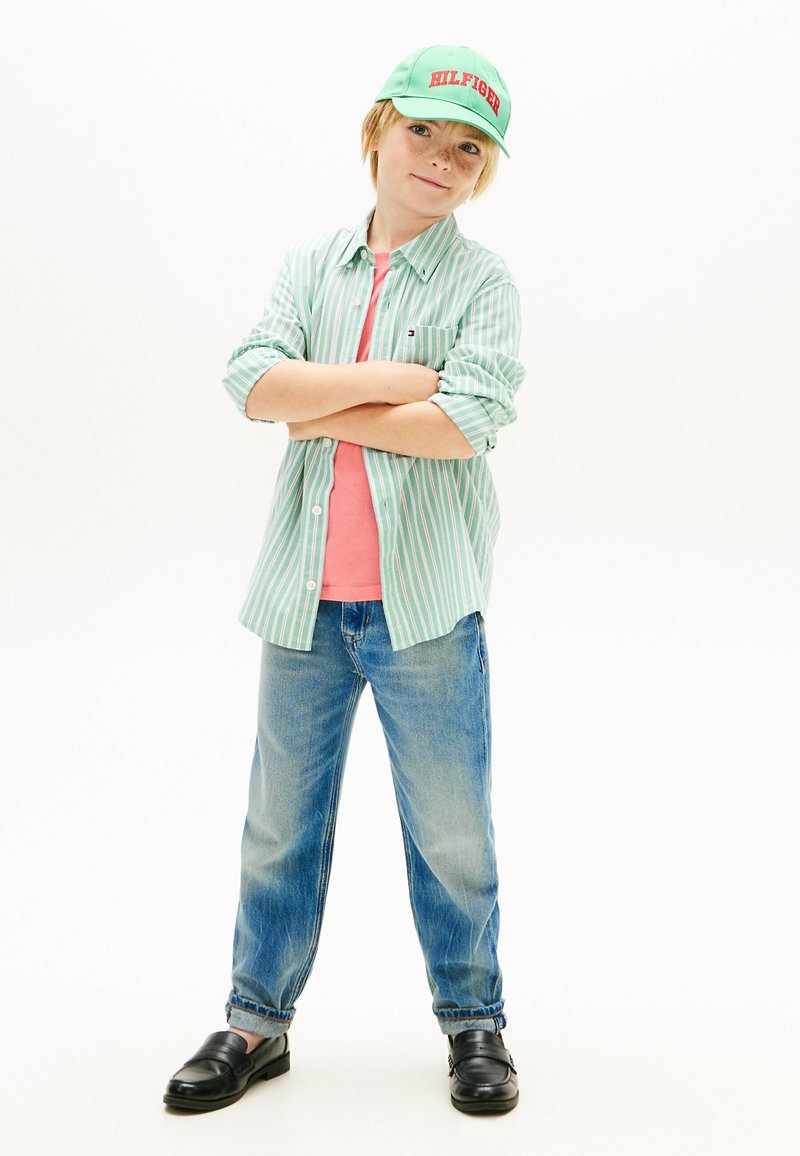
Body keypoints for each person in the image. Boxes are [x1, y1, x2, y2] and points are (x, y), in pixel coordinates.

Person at [163, 43, 525, 1116]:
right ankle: (254, 1020)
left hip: (424, 608)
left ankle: (473, 1021)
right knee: (280, 823)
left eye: (468, 148)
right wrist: (389, 383)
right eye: (423, 130)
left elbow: (465, 422)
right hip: (304, 602)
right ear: (377, 129)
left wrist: (315, 404)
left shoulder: (482, 284)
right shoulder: (311, 266)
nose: (441, 158)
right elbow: (250, 380)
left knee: (450, 832)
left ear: (482, 171)